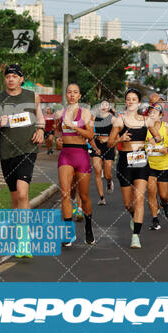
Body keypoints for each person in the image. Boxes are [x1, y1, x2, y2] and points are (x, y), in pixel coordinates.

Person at [0, 64, 45, 257]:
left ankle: (24, 241)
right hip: (7, 154)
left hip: (28, 150)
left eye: (14, 76)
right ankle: (20, 234)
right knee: (15, 199)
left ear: (21, 79)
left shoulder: (32, 96)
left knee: (22, 194)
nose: (10, 79)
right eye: (7, 76)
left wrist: (41, 130)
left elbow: (40, 118)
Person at [108, 88, 161, 249]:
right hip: (125, 162)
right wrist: (120, 138)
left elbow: (157, 136)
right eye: (128, 99)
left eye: (133, 99)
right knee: (128, 204)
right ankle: (133, 216)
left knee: (139, 199)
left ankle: (136, 236)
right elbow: (109, 143)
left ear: (139, 103)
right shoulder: (119, 121)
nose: (130, 101)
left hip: (141, 162)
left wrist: (155, 140)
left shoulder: (147, 121)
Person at [54, 83, 95, 246]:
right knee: (65, 194)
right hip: (66, 155)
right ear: (66, 95)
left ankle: (88, 227)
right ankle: (68, 233)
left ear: (79, 96)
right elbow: (57, 131)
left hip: (81, 155)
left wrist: (74, 127)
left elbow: (90, 135)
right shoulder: (60, 113)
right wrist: (57, 139)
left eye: (75, 92)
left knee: (84, 196)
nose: (72, 95)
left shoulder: (85, 113)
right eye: (69, 92)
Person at [146, 103, 168, 230]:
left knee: (163, 195)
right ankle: (155, 219)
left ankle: (165, 204)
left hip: (164, 165)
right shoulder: (146, 127)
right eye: (150, 112)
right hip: (149, 165)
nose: (152, 114)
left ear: (160, 115)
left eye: (155, 112)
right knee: (151, 192)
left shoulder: (167, 127)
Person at [89, 100, 115, 205]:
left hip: (109, 146)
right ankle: (102, 197)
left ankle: (109, 182)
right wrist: (93, 134)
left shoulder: (113, 119)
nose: (104, 106)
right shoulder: (94, 118)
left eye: (106, 105)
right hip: (97, 146)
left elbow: (116, 136)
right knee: (97, 170)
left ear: (109, 108)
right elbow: (89, 131)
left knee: (108, 173)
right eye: (102, 104)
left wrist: (108, 139)